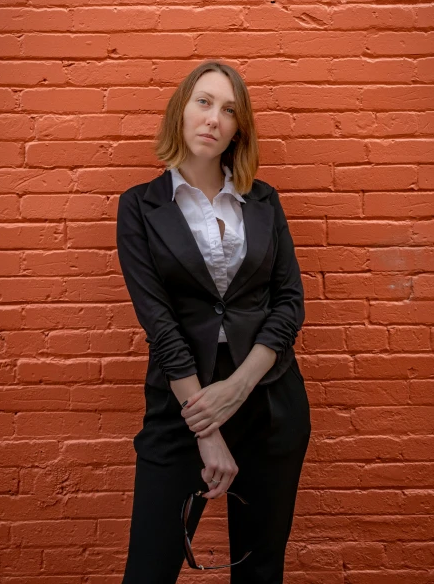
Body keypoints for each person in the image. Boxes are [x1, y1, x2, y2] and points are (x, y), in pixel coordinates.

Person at [116, 60, 311, 583]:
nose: (213, 119)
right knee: (149, 572)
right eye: (203, 102)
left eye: (229, 110)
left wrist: (239, 387)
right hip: (184, 406)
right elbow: (159, 323)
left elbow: (289, 303)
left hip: (270, 402)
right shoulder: (140, 206)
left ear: (238, 129)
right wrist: (205, 425)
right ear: (181, 111)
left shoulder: (264, 201)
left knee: (260, 570)